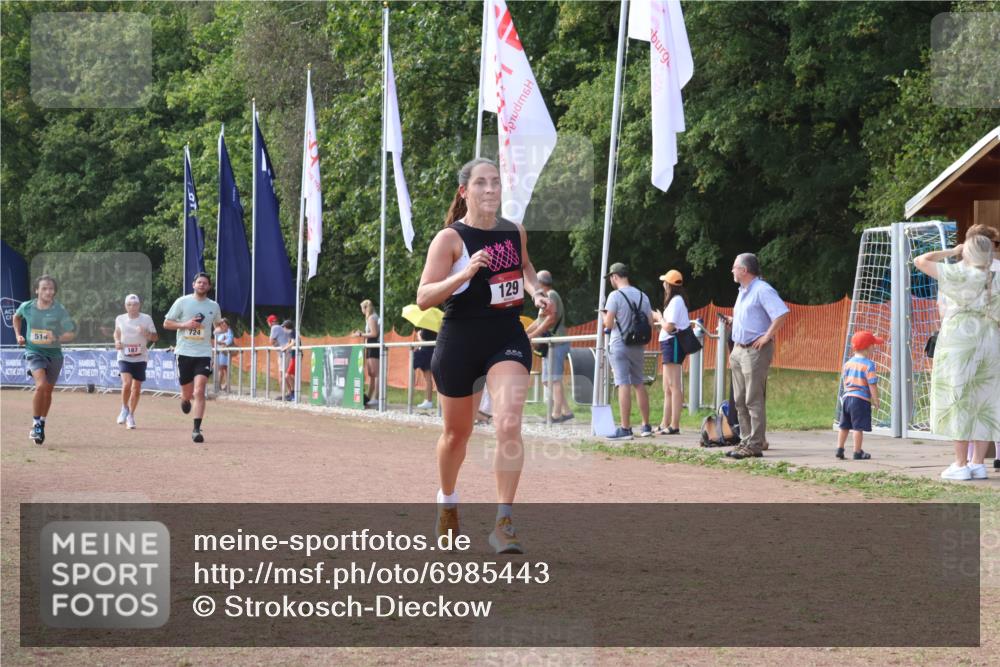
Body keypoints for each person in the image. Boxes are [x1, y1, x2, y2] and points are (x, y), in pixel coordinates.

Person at [417, 157, 551, 554]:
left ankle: (503, 522)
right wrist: (465, 272)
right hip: (459, 338)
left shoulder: (515, 232)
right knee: (457, 434)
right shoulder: (450, 239)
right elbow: (424, 295)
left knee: (508, 425)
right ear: (465, 191)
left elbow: (526, 268)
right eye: (481, 183)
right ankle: (447, 502)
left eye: (496, 182)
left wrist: (536, 292)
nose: (491, 189)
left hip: (506, 335)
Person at [914, 235, 1000, 481]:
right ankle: (978, 463)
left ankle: (960, 463)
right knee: (985, 399)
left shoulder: (958, 274)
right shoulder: (996, 277)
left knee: (959, 397)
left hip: (960, 338)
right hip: (990, 338)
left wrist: (952, 250)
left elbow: (921, 260)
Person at [723, 253, 789, 459]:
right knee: (739, 399)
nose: (732, 270)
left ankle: (755, 443)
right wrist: (734, 321)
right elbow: (752, 317)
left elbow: (781, 313)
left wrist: (767, 336)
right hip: (739, 349)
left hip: (755, 350)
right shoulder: (743, 291)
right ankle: (745, 440)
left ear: (744, 270)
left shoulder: (762, 289)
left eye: (734, 267)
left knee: (753, 398)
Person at [12, 275, 76, 445]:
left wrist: (58, 337)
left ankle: (42, 422)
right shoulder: (27, 307)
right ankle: (36, 425)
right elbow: (16, 317)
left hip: (54, 355)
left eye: (51, 289)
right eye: (45, 288)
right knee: (41, 386)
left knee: (47, 391)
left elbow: (71, 332)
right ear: (37, 290)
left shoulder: (59, 310)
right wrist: (18, 335)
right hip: (34, 351)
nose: (49, 291)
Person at [164, 272, 222, 443]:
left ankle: (196, 429)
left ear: (209, 287)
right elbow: (166, 323)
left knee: (200, 390)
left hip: (203, 353)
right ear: (193, 285)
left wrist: (219, 330)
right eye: (199, 282)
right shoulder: (182, 302)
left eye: (205, 283)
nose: (202, 285)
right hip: (184, 352)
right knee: (188, 394)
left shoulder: (213, 306)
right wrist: (185, 325)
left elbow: (218, 325)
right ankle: (184, 400)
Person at [602, 262, 655, 440]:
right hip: (638, 345)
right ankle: (646, 426)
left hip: (620, 344)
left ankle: (625, 428)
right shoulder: (643, 296)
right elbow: (650, 324)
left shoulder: (614, 296)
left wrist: (604, 315)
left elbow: (608, 324)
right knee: (639, 383)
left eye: (610, 277)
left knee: (622, 383)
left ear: (614, 277)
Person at [525, 270, 573, 423]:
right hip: (552, 343)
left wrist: (532, 335)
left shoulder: (551, 295)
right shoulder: (547, 297)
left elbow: (550, 320)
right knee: (548, 380)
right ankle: (566, 411)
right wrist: (525, 332)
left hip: (556, 343)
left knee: (553, 380)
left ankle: (556, 414)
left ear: (539, 283)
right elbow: (539, 320)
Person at [651, 269, 689, 435]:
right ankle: (665, 423)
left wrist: (659, 318)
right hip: (668, 342)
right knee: (667, 387)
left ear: (670, 285)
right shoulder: (675, 301)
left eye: (665, 282)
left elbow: (669, 326)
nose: (663, 284)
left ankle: (674, 425)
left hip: (673, 342)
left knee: (674, 386)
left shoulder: (676, 301)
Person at [113, 294, 158, 429]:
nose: (132, 307)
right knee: (127, 383)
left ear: (139, 305)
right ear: (125, 306)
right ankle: (124, 408)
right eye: (129, 305)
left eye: (135, 304)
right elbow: (116, 332)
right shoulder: (120, 318)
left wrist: (146, 333)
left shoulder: (146, 319)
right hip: (124, 357)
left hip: (140, 357)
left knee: (136, 388)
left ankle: (131, 416)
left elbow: (155, 338)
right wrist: (116, 341)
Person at [837, 330, 882, 460]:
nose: (874, 347)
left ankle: (840, 448)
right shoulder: (868, 365)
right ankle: (857, 452)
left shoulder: (848, 363)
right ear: (868, 347)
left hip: (846, 398)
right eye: (873, 345)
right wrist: (875, 400)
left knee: (844, 425)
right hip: (860, 400)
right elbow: (872, 384)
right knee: (858, 427)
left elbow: (845, 381)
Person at [353, 299, 381, 407]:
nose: (362, 311)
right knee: (372, 374)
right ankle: (369, 397)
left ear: (365, 308)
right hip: (370, 346)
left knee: (376, 373)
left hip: (373, 346)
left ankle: (376, 397)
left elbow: (374, 333)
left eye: (362, 309)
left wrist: (361, 334)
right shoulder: (371, 318)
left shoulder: (371, 318)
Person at [268, 314, 292, 400]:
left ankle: (286, 394)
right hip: (286, 352)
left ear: (269, 322)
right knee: (285, 374)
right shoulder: (282, 327)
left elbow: (271, 341)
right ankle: (289, 393)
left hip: (284, 353)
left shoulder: (274, 328)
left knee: (282, 375)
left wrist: (276, 343)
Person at [413, 327, 436, 410]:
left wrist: (419, 335)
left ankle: (428, 400)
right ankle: (427, 400)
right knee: (427, 378)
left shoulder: (427, 329)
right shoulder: (433, 327)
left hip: (427, 351)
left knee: (428, 378)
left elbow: (423, 341)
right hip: (429, 351)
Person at [279, 319, 298, 401]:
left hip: (296, 356)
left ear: (287, 327)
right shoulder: (291, 333)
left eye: (284, 327)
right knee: (288, 376)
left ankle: (294, 393)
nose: (283, 329)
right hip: (293, 356)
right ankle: (293, 393)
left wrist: (285, 348)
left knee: (287, 375)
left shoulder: (292, 332)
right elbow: (289, 342)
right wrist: (284, 347)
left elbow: (293, 343)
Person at [213, 318, 233, 392]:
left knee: (223, 369)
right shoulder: (220, 331)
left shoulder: (228, 330)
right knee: (222, 369)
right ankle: (223, 385)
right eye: (221, 324)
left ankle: (223, 385)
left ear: (227, 324)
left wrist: (221, 342)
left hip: (224, 353)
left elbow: (229, 340)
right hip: (220, 352)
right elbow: (215, 335)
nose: (223, 325)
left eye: (224, 324)